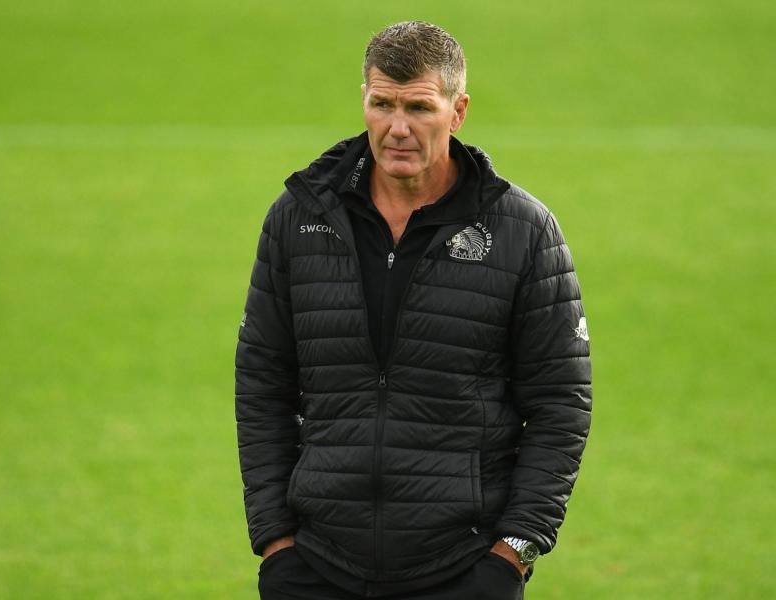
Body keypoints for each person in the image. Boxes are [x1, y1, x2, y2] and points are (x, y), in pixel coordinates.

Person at [235, 20, 592, 600]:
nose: (397, 128)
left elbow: (560, 405)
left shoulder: (523, 232)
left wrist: (515, 553)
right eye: (382, 104)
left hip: (465, 569)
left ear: (458, 111)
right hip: (316, 566)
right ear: (365, 102)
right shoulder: (298, 218)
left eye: (419, 108)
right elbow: (262, 385)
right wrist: (275, 542)